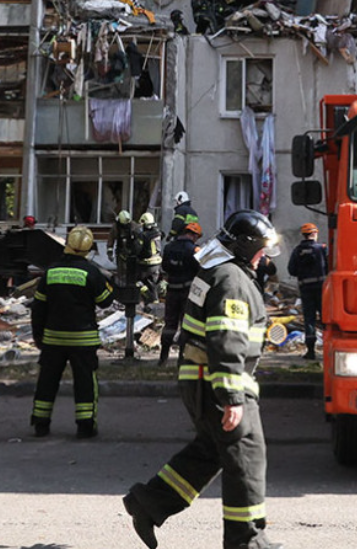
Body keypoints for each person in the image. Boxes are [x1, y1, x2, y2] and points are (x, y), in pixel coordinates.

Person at [124, 209, 282, 549]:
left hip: (200, 379)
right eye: (260, 248)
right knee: (246, 456)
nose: (264, 256)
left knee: (210, 451)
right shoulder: (233, 281)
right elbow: (227, 341)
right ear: (243, 246)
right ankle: (247, 540)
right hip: (218, 382)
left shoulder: (220, 269)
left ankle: (149, 503)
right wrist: (231, 398)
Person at [31, 226, 115, 438]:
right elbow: (105, 302)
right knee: (85, 382)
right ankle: (85, 425)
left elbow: (38, 308)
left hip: (53, 339)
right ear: (88, 249)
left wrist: (38, 336)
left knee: (47, 381)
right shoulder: (91, 273)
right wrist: (110, 284)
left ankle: (41, 423)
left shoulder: (50, 272)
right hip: (83, 340)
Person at [159, 220, 202, 366]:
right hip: (187, 292)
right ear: (193, 235)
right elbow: (201, 270)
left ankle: (163, 358)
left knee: (169, 324)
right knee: (186, 326)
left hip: (171, 290)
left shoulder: (169, 247)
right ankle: (181, 360)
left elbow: (165, 266)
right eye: (196, 236)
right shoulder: (195, 250)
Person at [287, 223, 328, 362]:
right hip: (322, 290)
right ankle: (328, 350)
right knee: (326, 319)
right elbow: (331, 266)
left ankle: (310, 351)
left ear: (303, 235)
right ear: (315, 234)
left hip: (306, 289)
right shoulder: (322, 249)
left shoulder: (297, 251)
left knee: (309, 320)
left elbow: (291, 270)